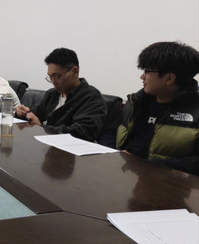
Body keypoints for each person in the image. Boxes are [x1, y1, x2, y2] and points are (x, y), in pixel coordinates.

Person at [116, 41, 199, 175]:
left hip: (170, 182)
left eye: (147, 71)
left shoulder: (195, 111)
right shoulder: (136, 102)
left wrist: (150, 164)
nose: (142, 77)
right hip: (127, 176)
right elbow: (115, 134)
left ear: (169, 78)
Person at [16, 47, 107, 142]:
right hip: (45, 146)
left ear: (75, 71)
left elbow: (83, 133)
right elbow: (34, 114)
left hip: (70, 149)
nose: (53, 82)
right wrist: (22, 113)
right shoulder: (52, 94)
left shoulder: (91, 98)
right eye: (50, 77)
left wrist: (42, 128)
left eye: (57, 76)